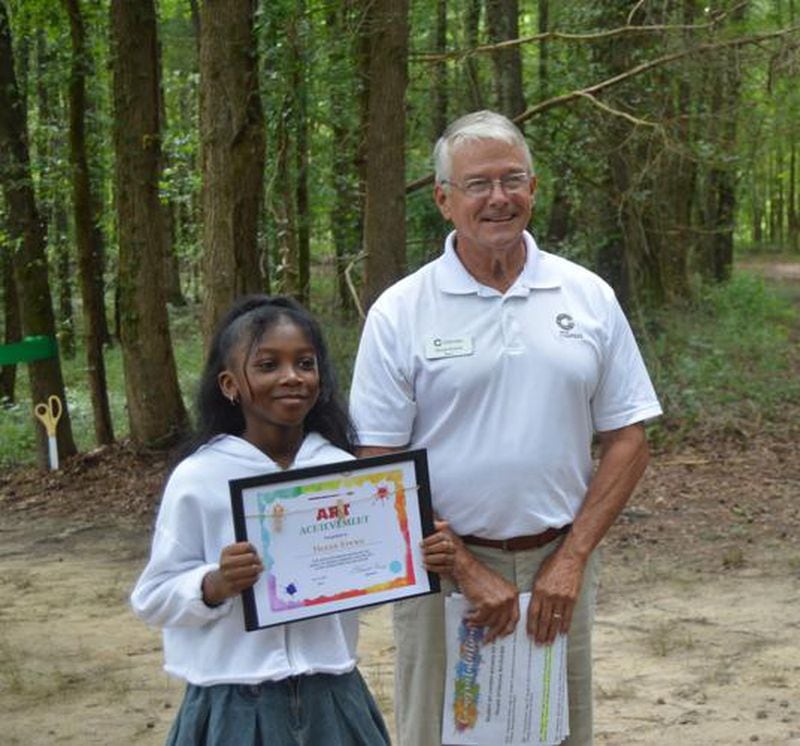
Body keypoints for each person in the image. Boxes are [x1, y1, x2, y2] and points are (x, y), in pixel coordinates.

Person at [349, 110, 663, 746]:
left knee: (553, 732)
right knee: (439, 732)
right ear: (443, 200)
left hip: (559, 564)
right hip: (439, 572)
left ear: (534, 188)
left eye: (512, 180)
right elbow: (377, 463)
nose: (499, 198)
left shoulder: (587, 297)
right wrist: (465, 569)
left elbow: (628, 438)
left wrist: (572, 557)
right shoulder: (401, 311)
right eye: (477, 184)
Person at [131, 295, 392, 746]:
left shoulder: (341, 473)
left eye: (305, 363)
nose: (291, 377)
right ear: (231, 384)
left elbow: (358, 592)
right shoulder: (199, 477)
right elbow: (153, 597)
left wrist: (402, 560)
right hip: (234, 705)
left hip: (332, 698)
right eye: (268, 365)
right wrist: (213, 585)